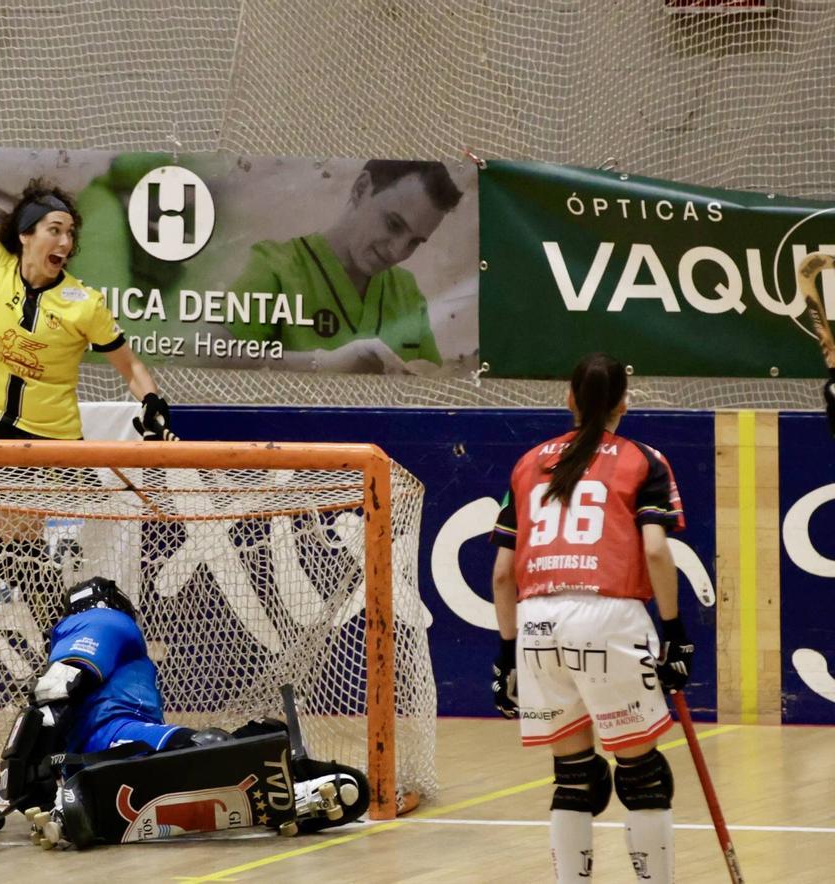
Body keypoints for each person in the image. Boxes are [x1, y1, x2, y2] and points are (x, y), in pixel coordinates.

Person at [0, 77, 178, 720]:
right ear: (26, 234)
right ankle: (74, 671)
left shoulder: (82, 301)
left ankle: (36, 676)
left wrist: (153, 403)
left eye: (70, 235)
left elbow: (130, 363)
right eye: (54, 229)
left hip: (51, 450)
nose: (64, 242)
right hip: (3, 442)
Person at [487, 353, 693, 884]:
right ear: (624, 403)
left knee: (574, 777)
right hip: (609, 616)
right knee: (644, 774)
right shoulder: (645, 460)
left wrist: (506, 653)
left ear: (570, 400)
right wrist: (675, 634)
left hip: (536, 620)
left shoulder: (528, 462)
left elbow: (503, 574)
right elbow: (654, 552)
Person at [1, 576, 370, 848]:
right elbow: (60, 685)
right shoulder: (104, 620)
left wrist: (33, 775)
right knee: (214, 746)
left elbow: (52, 697)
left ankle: (71, 811)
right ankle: (296, 789)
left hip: (83, 763)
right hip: (115, 737)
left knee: (257, 736)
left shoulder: (72, 629)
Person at [225, 159, 463, 377]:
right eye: (393, 224)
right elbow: (201, 353)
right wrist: (320, 363)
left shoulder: (407, 292)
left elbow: (433, 377)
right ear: (361, 189)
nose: (397, 251)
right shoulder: (275, 266)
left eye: (415, 242)